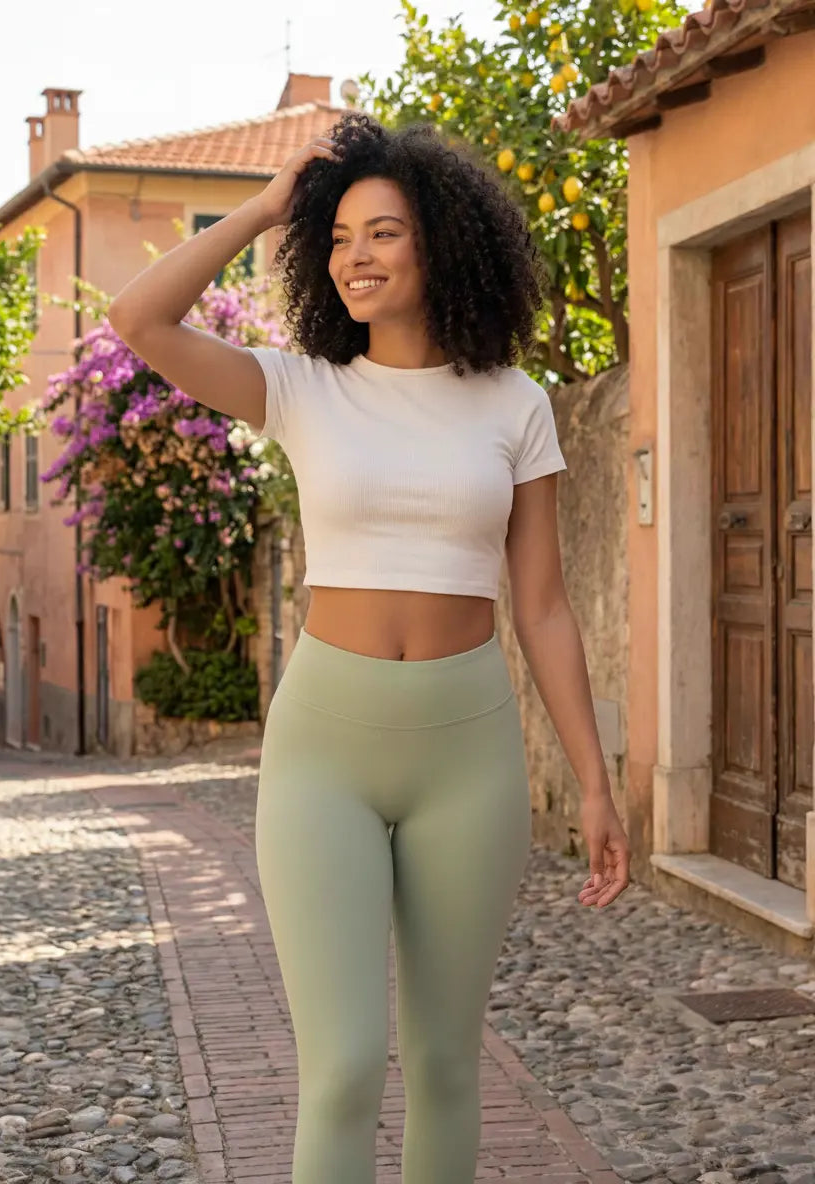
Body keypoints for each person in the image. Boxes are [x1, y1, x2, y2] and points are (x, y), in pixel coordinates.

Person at [107, 110, 630, 1184]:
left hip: (466, 748)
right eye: (338, 236)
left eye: (382, 232)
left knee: (445, 1063)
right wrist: (264, 205)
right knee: (343, 1065)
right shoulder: (304, 388)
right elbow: (140, 319)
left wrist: (594, 779)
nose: (355, 255)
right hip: (324, 752)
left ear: (439, 240)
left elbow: (542, 607)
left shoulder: (518, 404)